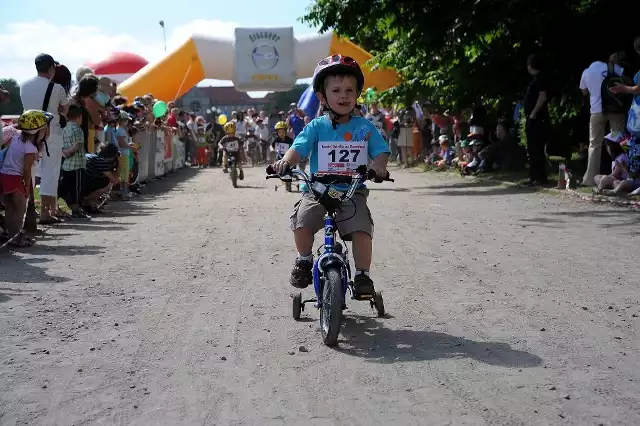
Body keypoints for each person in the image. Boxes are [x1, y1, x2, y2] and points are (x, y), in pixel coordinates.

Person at [272, 54, 390, 298]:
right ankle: (304, 260)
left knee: (362, 229)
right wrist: (286, 161)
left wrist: (379, 166)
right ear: (322, 97)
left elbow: (380, 151)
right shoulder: (316, 127)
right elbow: (298, 148)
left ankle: (363, 275)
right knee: (302, 221)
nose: (343, 95)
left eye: (349, 90)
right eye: (336, 90)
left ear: (357, 94)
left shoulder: (364, 127)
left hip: (351, 191)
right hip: (317, 189)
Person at [19, 53, 69, 224]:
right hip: (51, 133)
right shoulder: (57, 88)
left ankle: (27, 213)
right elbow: (65, 109)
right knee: (50, 173)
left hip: (29, 134)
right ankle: (45, 213)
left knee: (30, 173)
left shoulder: (23, 86)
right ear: (51, 68)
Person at [0, 110, 52, 247]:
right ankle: (18, 238)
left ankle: (11, 236)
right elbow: (27, 169)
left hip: (5, 177)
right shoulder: (30, 148)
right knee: (20, 210)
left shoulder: (15, 137)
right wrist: (28, 187)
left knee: (10, 209)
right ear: (38, 131)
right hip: (17, 179)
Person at [579, 52, 628, 186]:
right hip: (614, 109)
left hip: (596, 110)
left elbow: (584, 92)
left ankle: (589, 179)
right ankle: (625, 175)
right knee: (621, 142)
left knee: (594, 144)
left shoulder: (586, 72)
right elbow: (624, 81)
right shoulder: (613, 68)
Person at [523, 54, 551, 186]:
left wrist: (533, 113)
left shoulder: (540, 79)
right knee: (533, 148)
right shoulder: (537, 79)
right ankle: (534, 176)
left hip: (537, 118)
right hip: (534, 117)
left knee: (536, 147)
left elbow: (542, 97)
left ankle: (538, 177)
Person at [60, 105, 90, 219]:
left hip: (66, 164)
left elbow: (61, 145)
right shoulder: (78, 129)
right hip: (77, 163)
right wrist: (69, 152)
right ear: (79, 117)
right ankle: (76, 210)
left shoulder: (65, 128)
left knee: (70, 187)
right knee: (77, 189)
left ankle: (74, 208)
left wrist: (65, 152)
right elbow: (78, 145)